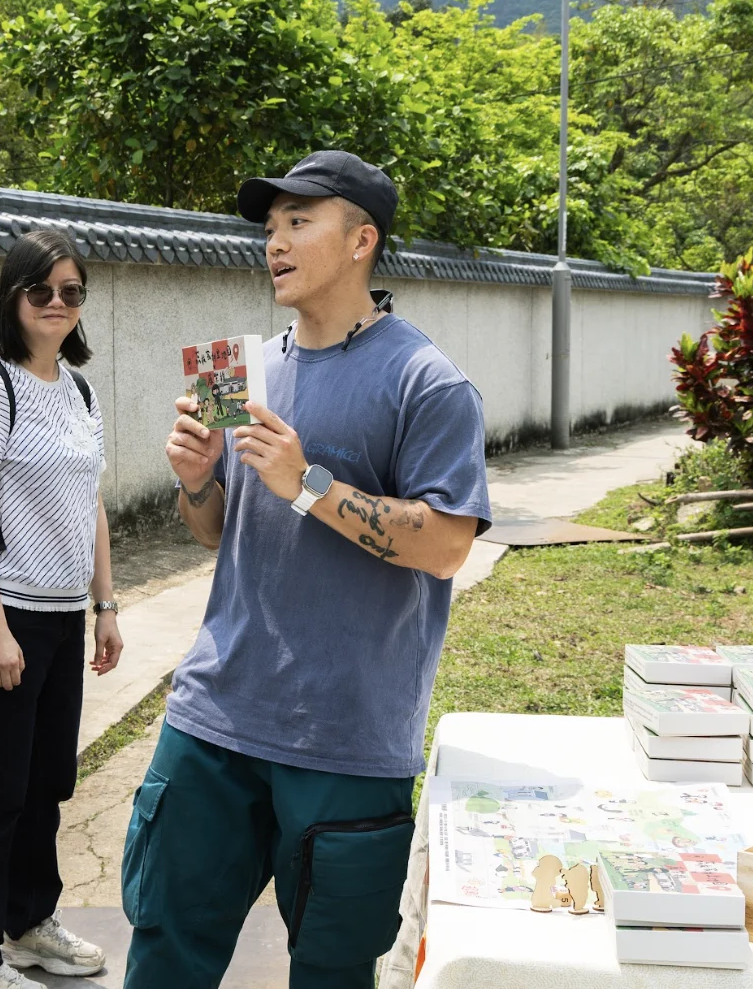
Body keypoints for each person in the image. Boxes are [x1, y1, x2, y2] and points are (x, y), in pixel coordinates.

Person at [122, 151, 492, 988]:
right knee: (164, 950)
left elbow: (446, 545)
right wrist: (195, 481)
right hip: (213, 716)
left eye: (299, 222)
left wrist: (308, 484)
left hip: (346, 738)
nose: (275, 243)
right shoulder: (244, 371)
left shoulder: (427, 382)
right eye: (270, 227)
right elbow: (216, 533)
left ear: (362, 240)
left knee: (331, 969)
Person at [0, 229, 125, 989]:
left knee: (44, 784)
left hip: (63, 615)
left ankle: (29, 923)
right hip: (1, 612)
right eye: (41, 290)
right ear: (13, 297)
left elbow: (91, 501)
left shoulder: (79, 390)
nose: (57, 304)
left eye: (72, 292)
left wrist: (105, 604)